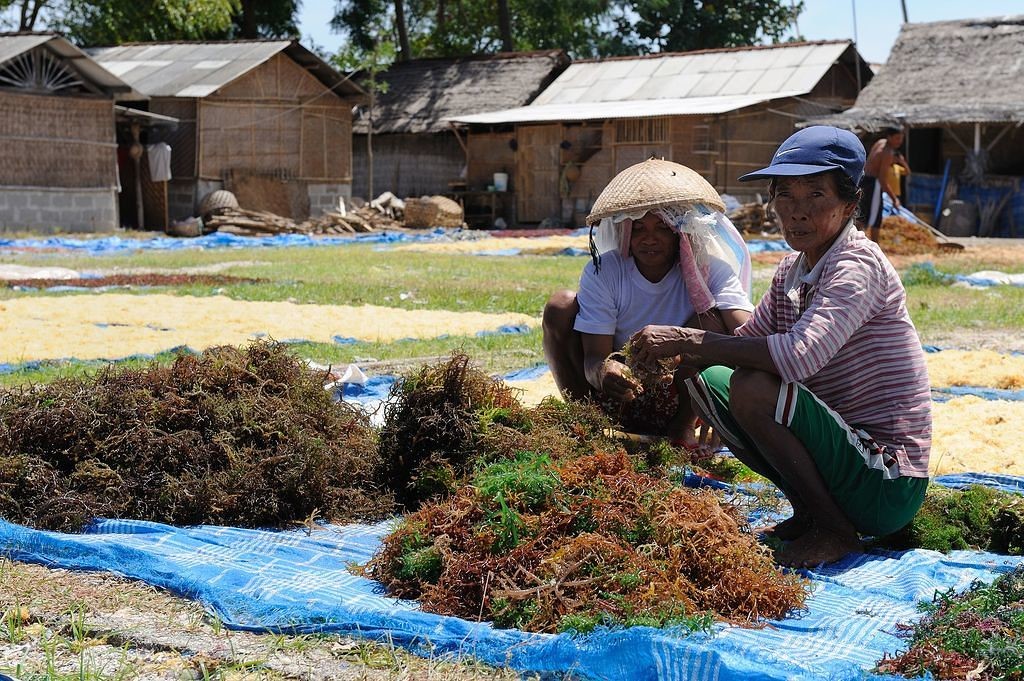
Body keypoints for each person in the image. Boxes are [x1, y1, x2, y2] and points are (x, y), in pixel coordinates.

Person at [628, 127, 931, 568]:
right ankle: (809, 512)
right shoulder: (793, 269)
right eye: (785, 195)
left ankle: (835, 530)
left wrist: (690, 339)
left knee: (752, 387)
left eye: (815, 195)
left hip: (885, 482)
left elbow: (798, 356)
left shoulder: (856, 265)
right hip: (845, 456)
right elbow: (744, 344)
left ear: (849, 204)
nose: (797, 212)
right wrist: (678, 353)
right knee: (704, 375)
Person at [542, 158, 753, 446]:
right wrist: (605, 371)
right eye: (639, 228)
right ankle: (584, 420)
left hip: (681, 393)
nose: (649, 239)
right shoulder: (606, 271)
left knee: (713, 319)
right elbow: (594, 356)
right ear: (625, 232)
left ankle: (682, 429)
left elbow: (747, 334)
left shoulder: (709, 268)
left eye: (662, 227)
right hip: (620, 391)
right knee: (560, 306)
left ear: (679, 230)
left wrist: (727, 402)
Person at [860, 127, 906, 242]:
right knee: (875, 219)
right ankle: (874, 246)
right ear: (889, 137)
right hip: (872, 184)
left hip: (863, 180)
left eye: (901, 139)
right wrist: (894, 199)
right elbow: (882, 180)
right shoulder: (888, 153)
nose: (899, 142)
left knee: (863, 215)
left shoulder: (880, 142)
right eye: (897, 138)